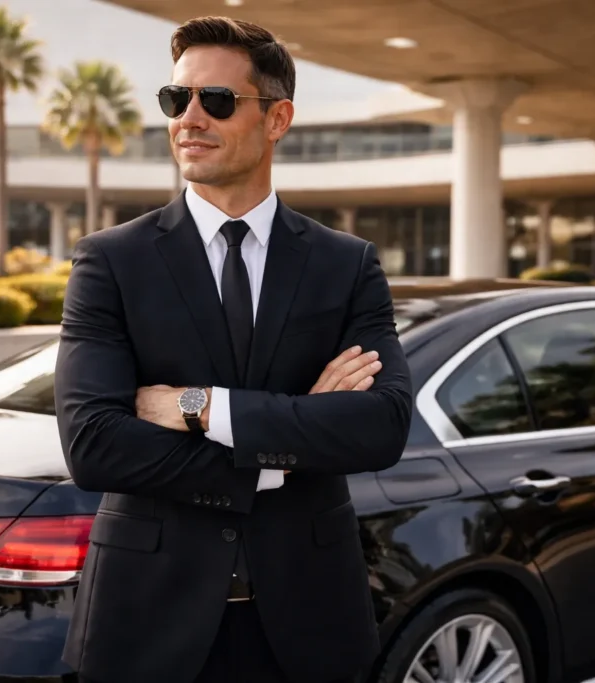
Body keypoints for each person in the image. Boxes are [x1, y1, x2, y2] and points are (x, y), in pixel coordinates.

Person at [52, 15, 413, 683]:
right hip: (145, 625)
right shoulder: (110, 262)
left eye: (216, 101)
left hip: (309, 626)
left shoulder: (347, 264)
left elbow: (382, 426)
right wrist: (290, 443)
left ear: (277, 119)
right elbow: (94, 443)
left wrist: (199, 406)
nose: (189, 117)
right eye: (175, 99)